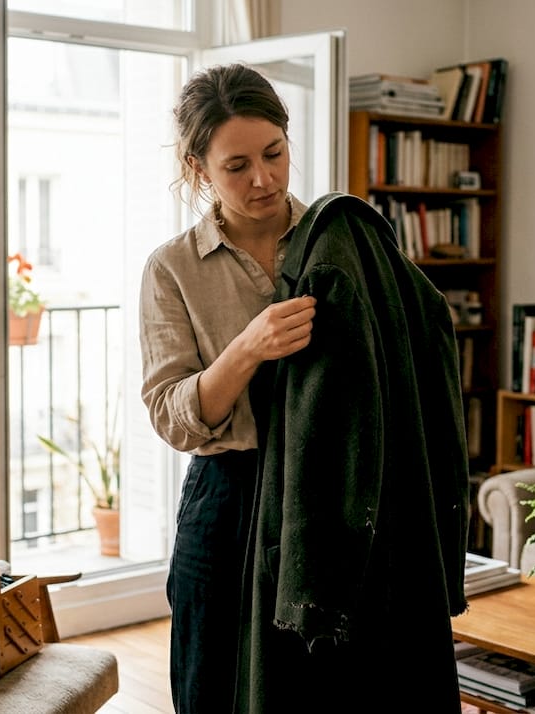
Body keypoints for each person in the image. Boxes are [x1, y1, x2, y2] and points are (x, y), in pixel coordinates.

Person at [138, 63, 316, 714]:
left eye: (273, 154)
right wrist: (247, 348)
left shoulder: (340, 241)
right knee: (212, 689)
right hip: (226, 500)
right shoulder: (171, 268)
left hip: (324, 498)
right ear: (197, 170)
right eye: (236, 165)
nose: (262, 179)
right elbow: (172, 415)